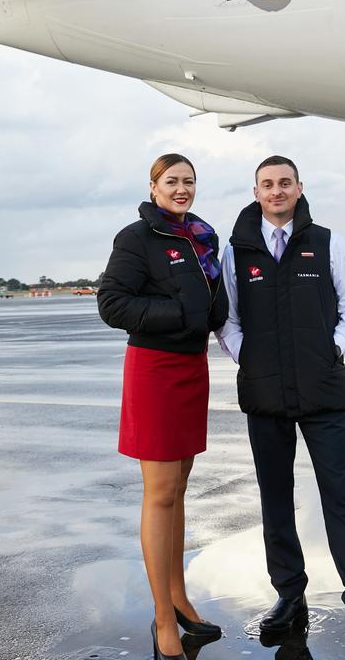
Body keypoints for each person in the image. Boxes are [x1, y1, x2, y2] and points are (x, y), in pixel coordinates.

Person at [216, 156, 345, 658]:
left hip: (324, 392)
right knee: (276, 500)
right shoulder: (237, 251)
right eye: (268, 184)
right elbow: (227, 318)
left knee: (344, 499)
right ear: (256, 191)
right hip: (265, 395)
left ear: (299, 188)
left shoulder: (328, 241)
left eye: (285, 183)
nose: (277, 191)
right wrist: (247, 357)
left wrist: (332, 349)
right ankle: (289, 597)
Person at [98, 154, 228, 660]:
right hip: (154, 370)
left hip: (192, 369)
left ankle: (179, 599)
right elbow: (112, 304)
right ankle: (161, 620)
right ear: (153, 187)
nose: (181, 189)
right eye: (171, 182)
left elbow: (214, 298)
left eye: (188, 182)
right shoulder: (137, 238)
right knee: (159, 493)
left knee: (179, 490)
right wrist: (181, 313)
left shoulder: (199, 237)